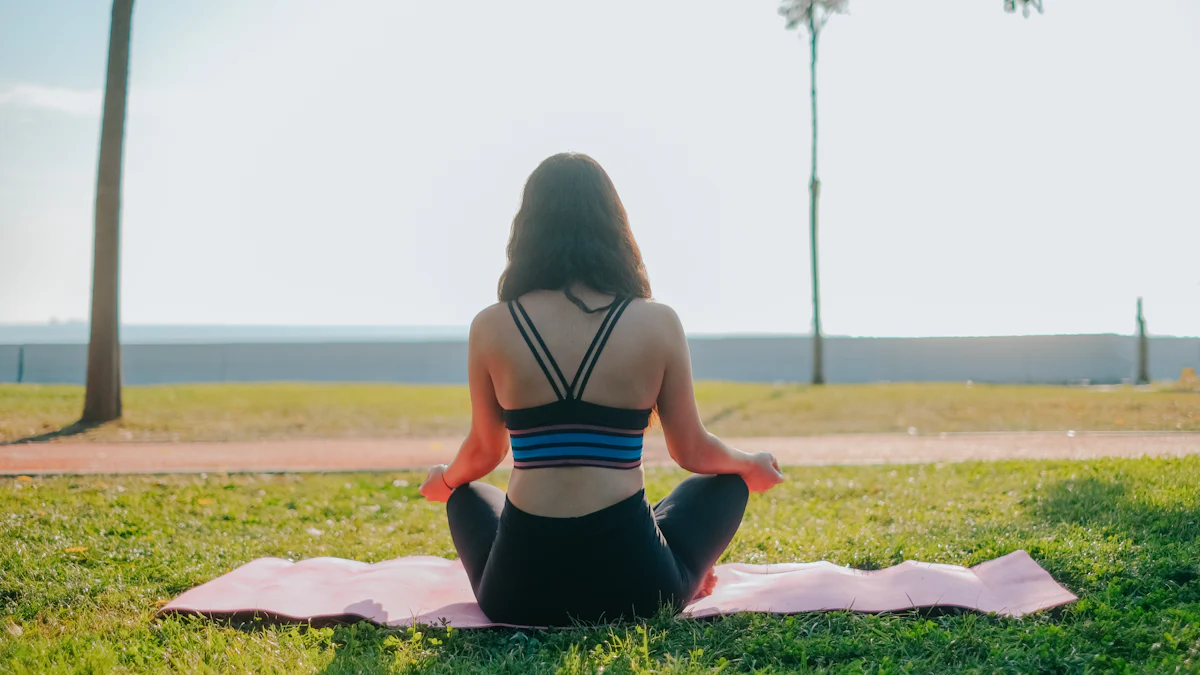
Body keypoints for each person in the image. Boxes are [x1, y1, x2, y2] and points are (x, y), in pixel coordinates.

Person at [418, 152, 785, 626]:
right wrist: (750, 464)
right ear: (615, 225)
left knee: (468, 495)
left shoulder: (492, 325)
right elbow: (692, 450)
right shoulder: (657, 321)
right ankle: (689, 577)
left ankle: (680, 567)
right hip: (638, 589)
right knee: (725, 485)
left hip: (517, 594)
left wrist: (444, 480)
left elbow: (485, 451)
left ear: (526, 227)